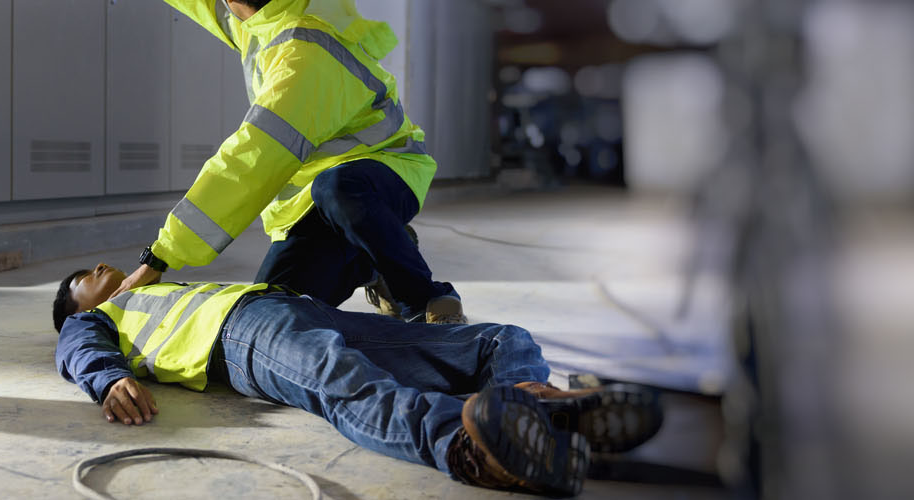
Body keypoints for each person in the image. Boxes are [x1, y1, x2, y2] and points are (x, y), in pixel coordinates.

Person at [52, 264, 664, 496]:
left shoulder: (165, 285)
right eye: (86, 275)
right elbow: (77, 347)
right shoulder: (99, 319)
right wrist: (107, 381)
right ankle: (471, 446)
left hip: (302, 309)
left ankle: (532, 404)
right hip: (242, 339)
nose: (102, 267)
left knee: (501, 339)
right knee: (350, 385)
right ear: (81, 304)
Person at [111, 0, 464, 324]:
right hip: (309, 203)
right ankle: (373, 259)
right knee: (270, 315)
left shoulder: (305, 51)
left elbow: (248, 163)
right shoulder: (250, 17)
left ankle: (424, 298)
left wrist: (161, 256)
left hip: (383, 169)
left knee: (339, 189)